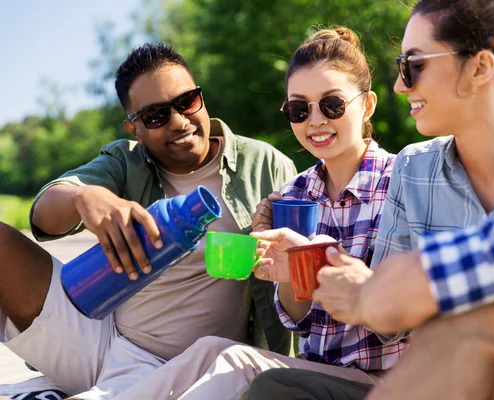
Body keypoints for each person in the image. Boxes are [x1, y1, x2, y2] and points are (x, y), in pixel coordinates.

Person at [245, 0, 494, 398]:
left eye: (415, 65)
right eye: (297, 109)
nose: (400, 85)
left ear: (481, 66)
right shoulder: (415, 167)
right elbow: (385, 319)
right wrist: (307, 265)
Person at [112, 26, 400, 400]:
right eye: (299, 109)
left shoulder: (402, 182)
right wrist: (285, 272)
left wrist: (320, 265)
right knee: (212, 350)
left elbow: (402, 318)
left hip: (391, 380)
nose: (314, 121)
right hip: (321, 373)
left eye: (332, 104)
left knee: (257, 377)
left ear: (368, 105)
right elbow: (302, 321)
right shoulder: (293, 193)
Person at [0, 43, 296, 399]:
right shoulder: (125, 162)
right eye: (156, 115)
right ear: (134, 128)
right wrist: (84, 196)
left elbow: (296, 273)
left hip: (187, 367)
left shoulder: (265, 165)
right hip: (98, 334)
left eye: (186, 101)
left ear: (200, 97)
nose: (179, 121)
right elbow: (45, 213)